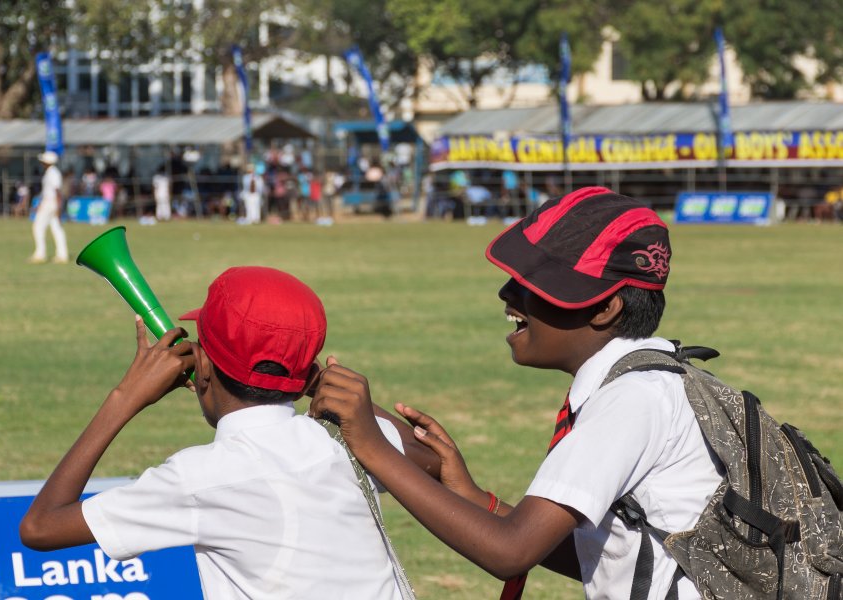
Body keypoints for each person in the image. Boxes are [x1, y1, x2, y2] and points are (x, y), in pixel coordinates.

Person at [310, 187, 723, 600]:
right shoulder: (655, 381)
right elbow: (601, 555)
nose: (507, 293)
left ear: (604, 308)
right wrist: (473, 497)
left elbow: (510, 552)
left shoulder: (632, 400)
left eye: (536, 282)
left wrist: (370, 447)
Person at [20, 266, 438, 600]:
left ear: (202, 369)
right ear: (306, 369)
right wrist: (311, 378)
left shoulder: (199, 477)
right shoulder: (345, 439)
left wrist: (124, 398)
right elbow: (431, 460)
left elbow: (40, 528)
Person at [29, 151, 69, 264]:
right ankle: (62, 254)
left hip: (51, 203)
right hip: (49, 202)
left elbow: (57, 192)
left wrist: (58, 207)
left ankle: (40, 254)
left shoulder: (53, 173)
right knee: (56, 228)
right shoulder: (50, 172)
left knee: (38, 226)